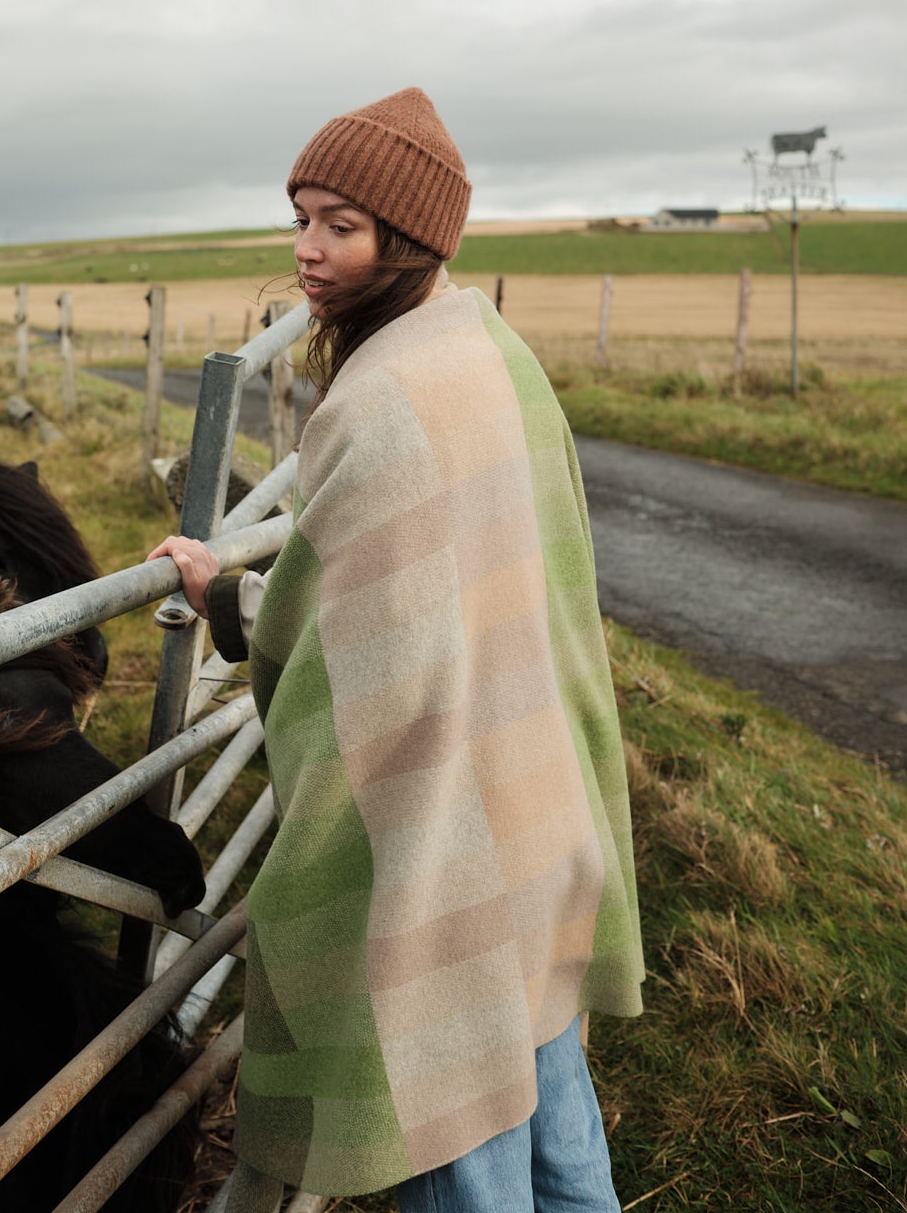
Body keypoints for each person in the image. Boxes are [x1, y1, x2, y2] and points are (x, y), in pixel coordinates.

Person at [149, 88, 643, 1212]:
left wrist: (235, 609)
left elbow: (342, 659)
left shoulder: (377, 405)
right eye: (302, 217)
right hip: (534, 806)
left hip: (445, 863)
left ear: (408, 239)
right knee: (556, 1125)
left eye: (339, 226)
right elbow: (416, 596)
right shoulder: (494, 354)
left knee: (456, 1126)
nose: (306, 251)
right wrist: (241, 586)